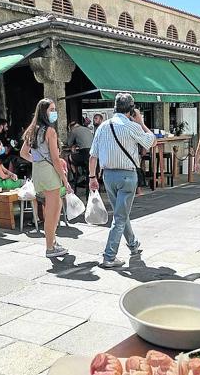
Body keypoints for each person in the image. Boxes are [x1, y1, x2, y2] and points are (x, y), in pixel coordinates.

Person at [89, 93, 156, 268]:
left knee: (121, 213)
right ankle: (109, 256)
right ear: (131, 109)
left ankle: (133, 245)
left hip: (108, 176)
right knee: (119, 216)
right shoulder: (132, 126)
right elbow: (152, 141)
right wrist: (141, 122)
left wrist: (91, 177)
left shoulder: (102, 126)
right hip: (127, 176)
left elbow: (93, 155)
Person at [21, 98, 72, 258]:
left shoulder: (32, 130)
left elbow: (23, 153)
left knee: (50, 207)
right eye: (51, 109)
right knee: (53, 210)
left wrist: (38, 161)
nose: (54, 112)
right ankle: (50, 247)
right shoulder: (50, 131)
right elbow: (56, 160)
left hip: (38, 172)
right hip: (50, 173)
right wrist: (65, 180)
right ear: (44, 112)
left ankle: (53, 242)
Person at [67, 120, 94, 184]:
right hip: (93, 155)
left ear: (71, 127)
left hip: (85, 154)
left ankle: (77, 176)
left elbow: (69, 143)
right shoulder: (87, 129)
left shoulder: (74, 130)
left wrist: (73, 144)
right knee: (82, 158)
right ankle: (84, 173)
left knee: (69, 157)